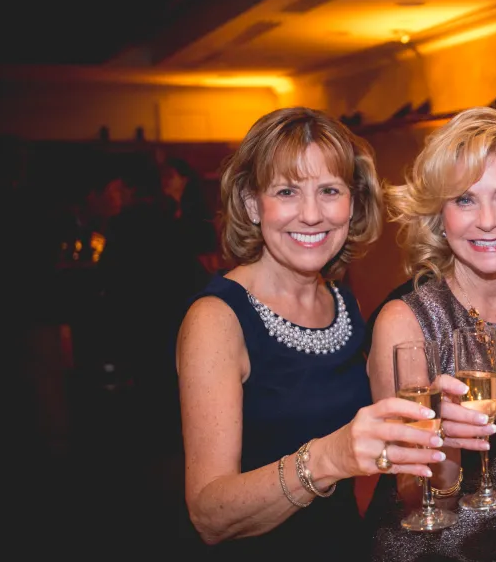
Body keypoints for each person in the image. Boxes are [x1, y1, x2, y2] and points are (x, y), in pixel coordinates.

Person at [175, 107, 461, 559]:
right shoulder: (216, 319)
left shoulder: (342, 302)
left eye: (329, 191)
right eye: (287, 191)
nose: (311, 215)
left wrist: (439, 422)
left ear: (352, 202)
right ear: (252, 203)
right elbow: (209, 517)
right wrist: (328, 459)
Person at [365, 107, 496, 562]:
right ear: (440, 218)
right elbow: (411, 496)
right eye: (464, 199)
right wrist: (444, 449)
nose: (486, 220)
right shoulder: (405, 322)